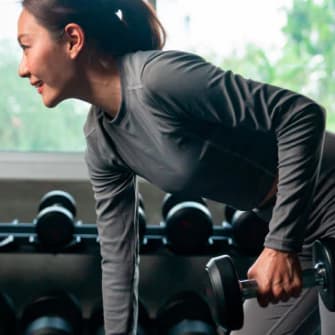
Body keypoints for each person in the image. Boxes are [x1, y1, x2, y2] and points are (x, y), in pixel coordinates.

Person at [16, 0, 335, 334]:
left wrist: (280, 245)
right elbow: (119, 261)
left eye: (26, 47)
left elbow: (302, 115)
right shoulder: (101, 141)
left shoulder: (158, 79)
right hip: (295, 227)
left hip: (321, 197)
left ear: (72, 40)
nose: (22, 68)